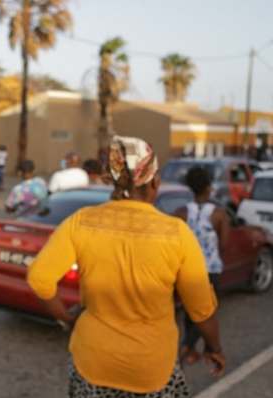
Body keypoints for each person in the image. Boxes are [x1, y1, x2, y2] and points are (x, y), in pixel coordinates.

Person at [27, 136, 226, 397]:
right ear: (154, 181)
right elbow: (201, 310)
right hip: (153, 369)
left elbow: (39, 278)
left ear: (111, 180)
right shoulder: (176, 233)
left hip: (92, 363)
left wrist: (67, 318)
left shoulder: (82, 221)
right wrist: (214, 349)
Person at [174, 166, 229, 365]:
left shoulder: (181, 212)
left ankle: (190, 351)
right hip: (209, 269)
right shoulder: (219, 214)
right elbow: (223, 245)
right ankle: (183, 352)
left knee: (190, 311)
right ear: (208, 187)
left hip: (184, 271)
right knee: (205, 312)